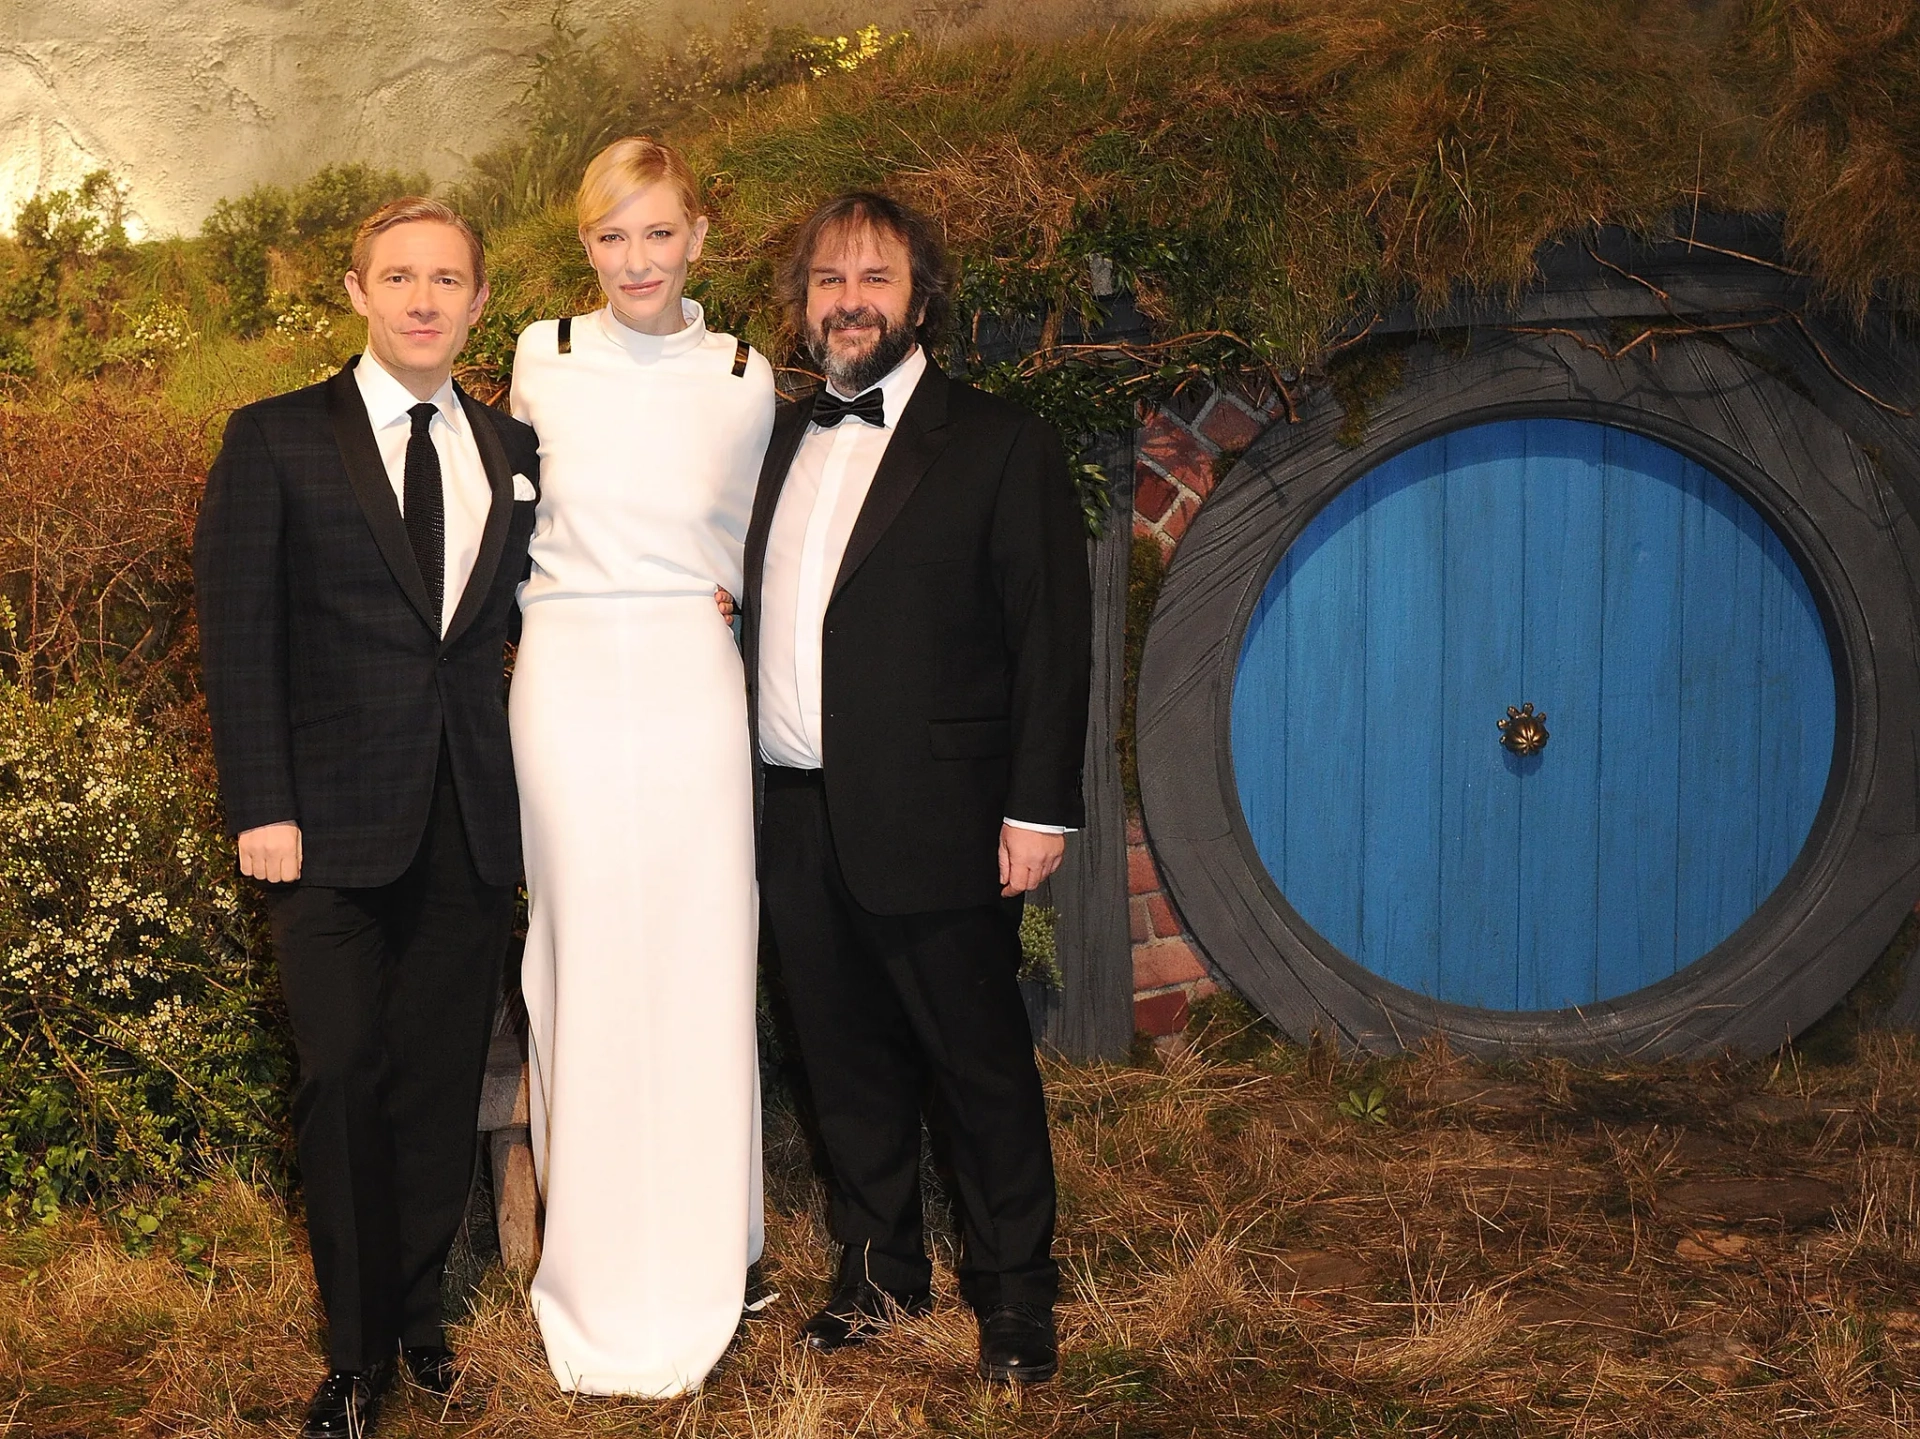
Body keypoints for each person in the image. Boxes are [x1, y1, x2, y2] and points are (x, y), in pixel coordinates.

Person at [194, 197, 540, 1437]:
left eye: (449, 278)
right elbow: (238, 639)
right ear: (356, 291)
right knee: (343, 1076)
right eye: (400, 276)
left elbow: (527, 617)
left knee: (441, 1082)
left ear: (479, 302)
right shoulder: (276, 438)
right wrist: (262, 804)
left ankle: (418, 1320)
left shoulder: (513, 449)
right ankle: (351, 1355)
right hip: (323, 827)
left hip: (465, 825)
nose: (424, 298)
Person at [742, 192, 1092, 1385]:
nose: (850, 300)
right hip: (793, 808)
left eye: (875, 278)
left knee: (976, 1060)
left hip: (942, 815)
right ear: (804, 307)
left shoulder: (997, 440)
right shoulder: (777, 440)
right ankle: (881, 1271)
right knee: (841, 1059)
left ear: (921, 297)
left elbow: (1051, 637)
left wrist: (1039, 808)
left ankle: (1014, 1294)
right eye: (830, 280)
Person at [506, 136, 774, 1397]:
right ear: (586, 246)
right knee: (578, 951)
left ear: (699, 239)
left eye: (657, 233)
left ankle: (722, 1241)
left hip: (688, 675)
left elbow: (777, 540)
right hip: (560, 674)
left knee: (702, 949)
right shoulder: (536, 358)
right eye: (611, 236)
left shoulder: (745, 375)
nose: (636, 260)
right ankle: (590, 1250)